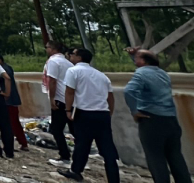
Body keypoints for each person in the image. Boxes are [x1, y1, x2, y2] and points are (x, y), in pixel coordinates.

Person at [124, 47, 190, 183]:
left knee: (155, 157)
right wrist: (134, 56)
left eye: (136, 58)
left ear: (142, 61)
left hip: (152, 120)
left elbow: (129, 91)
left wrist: (135, 112)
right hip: (170, 120)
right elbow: (146, 68)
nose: (135, 60)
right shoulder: (163, 74)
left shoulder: (141, 73)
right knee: (175, 156)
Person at [56, 47, 119, 183]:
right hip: (103, 114)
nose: (70, 56)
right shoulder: (101, 75)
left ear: (79, 58)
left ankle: (76, 171)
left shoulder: (73, 71)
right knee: (107, 148)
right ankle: (114, 178)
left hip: (84, 113)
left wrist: (68, 110)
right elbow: (110, 97)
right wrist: (109, 112)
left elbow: (70, 92)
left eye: (72, 54)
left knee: (82, 144)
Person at [45, 39, 75, 168]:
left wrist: (51, 99)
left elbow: (52, 81)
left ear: (52, 49)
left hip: (60, 99)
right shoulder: (68, 62)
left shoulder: (53, 61)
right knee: (74, 130)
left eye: (47, 47)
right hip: (71, 100)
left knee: (56, 130)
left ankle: (65, 156)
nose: (46, 50)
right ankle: (79, 157)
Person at [0, 52, 29, 151]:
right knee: (13, 122)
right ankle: (20, 143)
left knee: (11, 123)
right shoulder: (7, 67)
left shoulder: (3, 70)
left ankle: (16, 144)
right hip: (11, 99)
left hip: (8, 100)